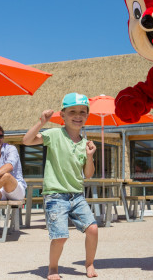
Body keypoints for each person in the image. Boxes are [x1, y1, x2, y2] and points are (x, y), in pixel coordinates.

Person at [23, 92, 98, 280]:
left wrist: (90, 156)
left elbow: (88, 174)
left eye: (82, 111)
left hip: (77, 195)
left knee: (93, 229)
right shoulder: (55, 134)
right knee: (60, 236)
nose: (78, 115)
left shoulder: (84, 143)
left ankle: (89, 263)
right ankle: (53, 268)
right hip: (55, 195)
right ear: (62, 115)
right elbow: (27, 141)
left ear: (87, 116)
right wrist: (41, 122)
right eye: (72, 111)